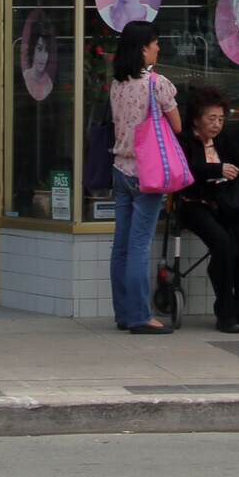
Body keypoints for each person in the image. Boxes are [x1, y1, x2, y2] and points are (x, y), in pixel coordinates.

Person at [108, 21, 179, 334]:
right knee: (139, 246)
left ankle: (123, 313)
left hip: (120, 169)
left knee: (121, 245)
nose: (158, 48)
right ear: (142, 49)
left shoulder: (117, 83)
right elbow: (176, 125)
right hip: (146, 173)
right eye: (155, 43)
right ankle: (140, 316)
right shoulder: (156, 83)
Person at [175, 86, 239, 332]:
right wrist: (217, 170)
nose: (216, 124)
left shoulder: (222, 139)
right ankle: (226, 312)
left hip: (227, 202)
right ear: (196, 119)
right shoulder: (184, 140)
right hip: (195, 204)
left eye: (221, 119)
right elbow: (184, 170)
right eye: (211, 118)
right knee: (223, 245)